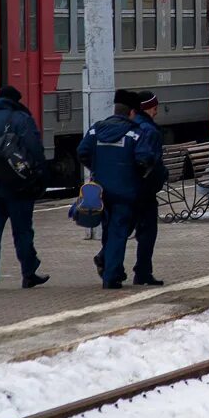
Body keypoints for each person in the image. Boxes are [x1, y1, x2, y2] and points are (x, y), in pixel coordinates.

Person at [0, 86, 48, 291]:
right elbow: (35, 150)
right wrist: (39, 176)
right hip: (17, 186)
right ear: (16, 101)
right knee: (22, 231)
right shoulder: (21, 119)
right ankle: (28, 273)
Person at [78, 90, 148, 290]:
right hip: (125, 192)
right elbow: (144, 159)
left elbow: (82, 152)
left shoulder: (96, 130)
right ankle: (111, 276)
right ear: (132, 112)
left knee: (109, 231)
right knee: (118, 232)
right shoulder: (135, 133)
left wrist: (97, 168)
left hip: (100, 191)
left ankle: (109, 266)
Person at [130, 90, 166, 286]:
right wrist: (161, 178)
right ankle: (143, 272)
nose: (156, 112)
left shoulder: (128, 126)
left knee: (122, 228)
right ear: (149, 108)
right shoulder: (150, 131)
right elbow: (153, 163)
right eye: (155, 108)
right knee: (147, 232)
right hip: (144, 190)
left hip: (125, 188)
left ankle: (105, 260)